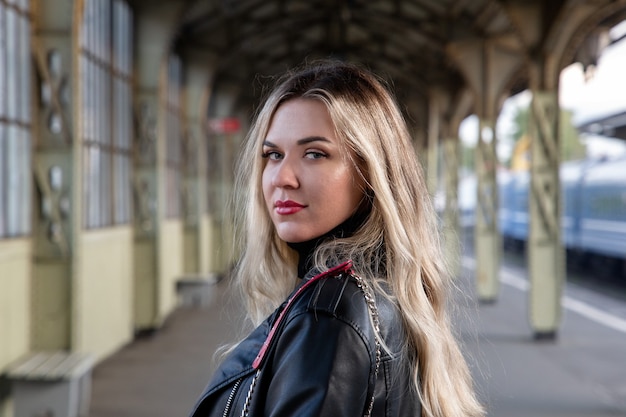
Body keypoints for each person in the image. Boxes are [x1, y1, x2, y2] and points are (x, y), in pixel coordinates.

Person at [189, 60, 484, 417]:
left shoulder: (328, 314)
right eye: (273, 155)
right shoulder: (383, 290)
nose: (283, 177)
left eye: (314, 154)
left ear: (370, 172)